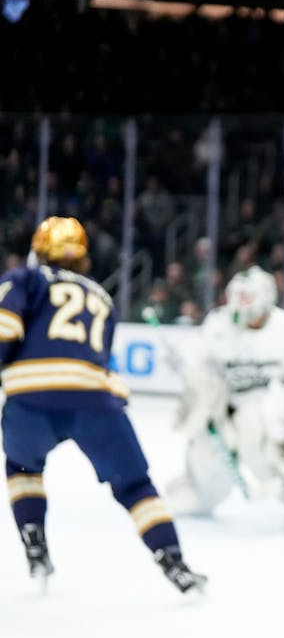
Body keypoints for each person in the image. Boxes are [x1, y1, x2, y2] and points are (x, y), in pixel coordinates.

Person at [0, 216, 206, 593]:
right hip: (94, 400)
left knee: (21, 466)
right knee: (136, 485)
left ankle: (35, 542)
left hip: (30, 398)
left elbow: (5, 330)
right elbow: (100, 360)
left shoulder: (25, 278)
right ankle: (173, 559)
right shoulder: (101, 296)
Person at [164, 265, 284, 530]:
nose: (243, 315)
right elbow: (194, 358)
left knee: (257, 448)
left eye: (249, 304)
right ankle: (200, 493)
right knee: (207, 451)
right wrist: (200, 386)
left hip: (268, 406)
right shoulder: (218, 323)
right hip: (223, 404)